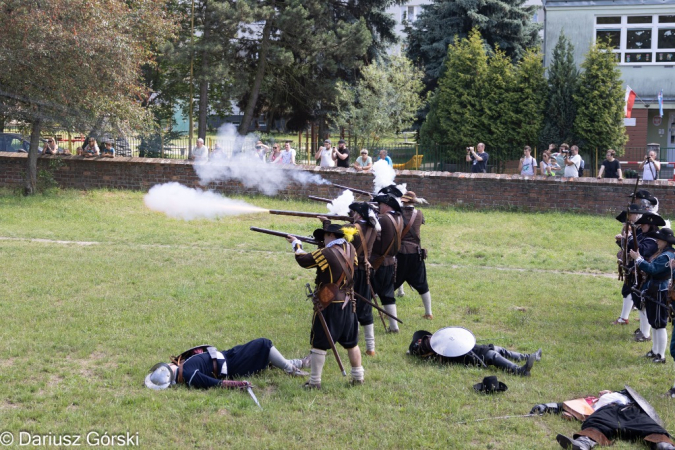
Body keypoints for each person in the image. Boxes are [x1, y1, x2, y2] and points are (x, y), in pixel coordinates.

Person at [286, 223, 364, 388]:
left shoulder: (327, 253)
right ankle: (358, 377)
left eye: (324, 236)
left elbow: (303, 260)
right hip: (349, 302)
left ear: (330, 235)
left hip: (329, 304)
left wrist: (296, 244)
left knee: (319, 344)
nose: (322, 239)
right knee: (352, 343)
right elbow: (355, 265)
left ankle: (315, 382)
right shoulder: (351, 248)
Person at [144, 339, 310, 390]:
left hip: (227, 355)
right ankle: (292, 369)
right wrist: (238, 384)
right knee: (263, 345)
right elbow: (216, 384)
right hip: (232, 365)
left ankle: (299, 363)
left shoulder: (182, 366)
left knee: (262, 354)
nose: (169, 364)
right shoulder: (188, 375)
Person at [326, 202, 381, 356]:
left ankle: (351, 340)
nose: (351, 214)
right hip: (365, 271)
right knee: (364, 307)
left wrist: (325, 222)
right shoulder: (372, 227)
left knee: (349, 305)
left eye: (353, 212)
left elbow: (332, 236)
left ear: (359, 214)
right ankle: (370, 347)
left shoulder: (353, 228)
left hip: (352, 271)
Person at [546, 388, 675, 450]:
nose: (601, 392)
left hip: (631, 411)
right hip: (607, 412)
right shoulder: (593, 401)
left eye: (604, 391)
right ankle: (583, 443)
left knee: (650, 427)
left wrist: (611, 392)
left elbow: (640, 402)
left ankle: (665, 446)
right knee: (595, 424)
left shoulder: (623, 395)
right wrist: (546, 406)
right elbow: (571, 405)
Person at [408, 329, 540, 376]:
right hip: (467, 355)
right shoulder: (432, 350)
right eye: (420, 341)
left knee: (497, 349)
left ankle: (528, 356)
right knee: (492, 356)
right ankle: (520, 371)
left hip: (472, 347)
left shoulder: (438, 339)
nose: (422, 340)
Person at [629, 227, 675, 363]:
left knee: (659, 324)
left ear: (665, 241)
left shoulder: (667, 255)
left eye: (659, 239)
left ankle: (661, 355)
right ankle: (655, 351)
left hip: (660, 291)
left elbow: (653, 269)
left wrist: (638, 260)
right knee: (654, 323)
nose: (656, 241)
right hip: (655, 289)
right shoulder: (665, 253)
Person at [613, 208, 659, 336]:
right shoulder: (643, 234)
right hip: (637, 272)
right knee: (638, 301)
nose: (641, 225)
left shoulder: (652, 238)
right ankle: (643, 331)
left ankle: (645, 333)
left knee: (643, 302)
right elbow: (631, 247)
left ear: (649, 225)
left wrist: (629, 238)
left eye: (643, 223)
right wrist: (623, 241)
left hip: (646, 274)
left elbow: (642, 251)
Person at [394, 191, 433, 320]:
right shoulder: (419, 214)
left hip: (400, 254)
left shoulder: (397, 214)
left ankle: (387, 311)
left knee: (389, 284)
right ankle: (428, 312)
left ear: (403, 201)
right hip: (416, 253)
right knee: (423, 285)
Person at [370, 193, 403, 333]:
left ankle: (361, 327)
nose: (379, 207)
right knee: (388, 295)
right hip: (390, 262)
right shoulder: (399, 217)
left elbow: (373, 237)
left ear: (388, 206)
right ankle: (394, 326)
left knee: (365, 294)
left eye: (381, 205)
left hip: (378, 262)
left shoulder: (383, 219)